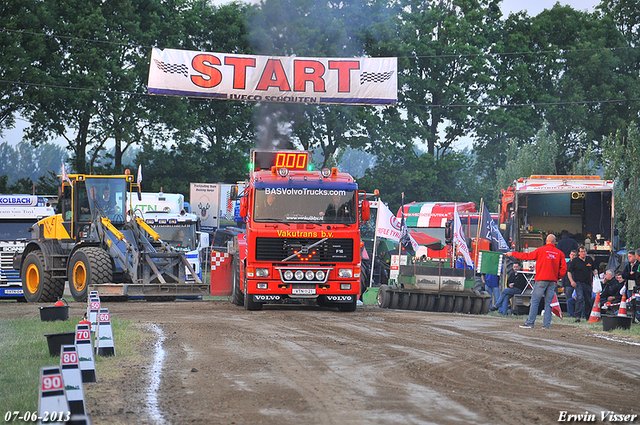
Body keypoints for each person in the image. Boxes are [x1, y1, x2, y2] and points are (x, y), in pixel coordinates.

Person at [505, 234, 566, 329]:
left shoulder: (540, 250)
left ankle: (530, 323)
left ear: (546, 241)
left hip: (541, 279)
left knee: (535, 301)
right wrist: (557, 277)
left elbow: (527, 256)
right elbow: (563, 268)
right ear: (554, 242)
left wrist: (513, 253)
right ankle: (546, 325)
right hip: (552, 281)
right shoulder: (559, 253)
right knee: (548, 303)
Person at [567, 246, 598, 322]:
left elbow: (594, 268)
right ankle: (577, 316)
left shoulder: (589, 260)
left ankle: (588, 316)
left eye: (584, 251)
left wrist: (595, 273)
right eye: (582, 252)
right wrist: (572, 281)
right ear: (579, 253)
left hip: (587, 283)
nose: (583, 253)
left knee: (588, 300)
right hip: (578, 283)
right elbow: (569, 272)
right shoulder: (575, 261)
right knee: (580, 298)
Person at [560, 250, 578, 317]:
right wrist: (563, 286)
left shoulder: (578, 264)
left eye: (574, 255)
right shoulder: (566, 265)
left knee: (577, 299)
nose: (573, 256)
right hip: (568, 284)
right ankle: (569, 313)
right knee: (568, 299)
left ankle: (576, 313)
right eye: (571, 254)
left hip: (576, 284)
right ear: (569, 255)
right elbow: (563, 275)